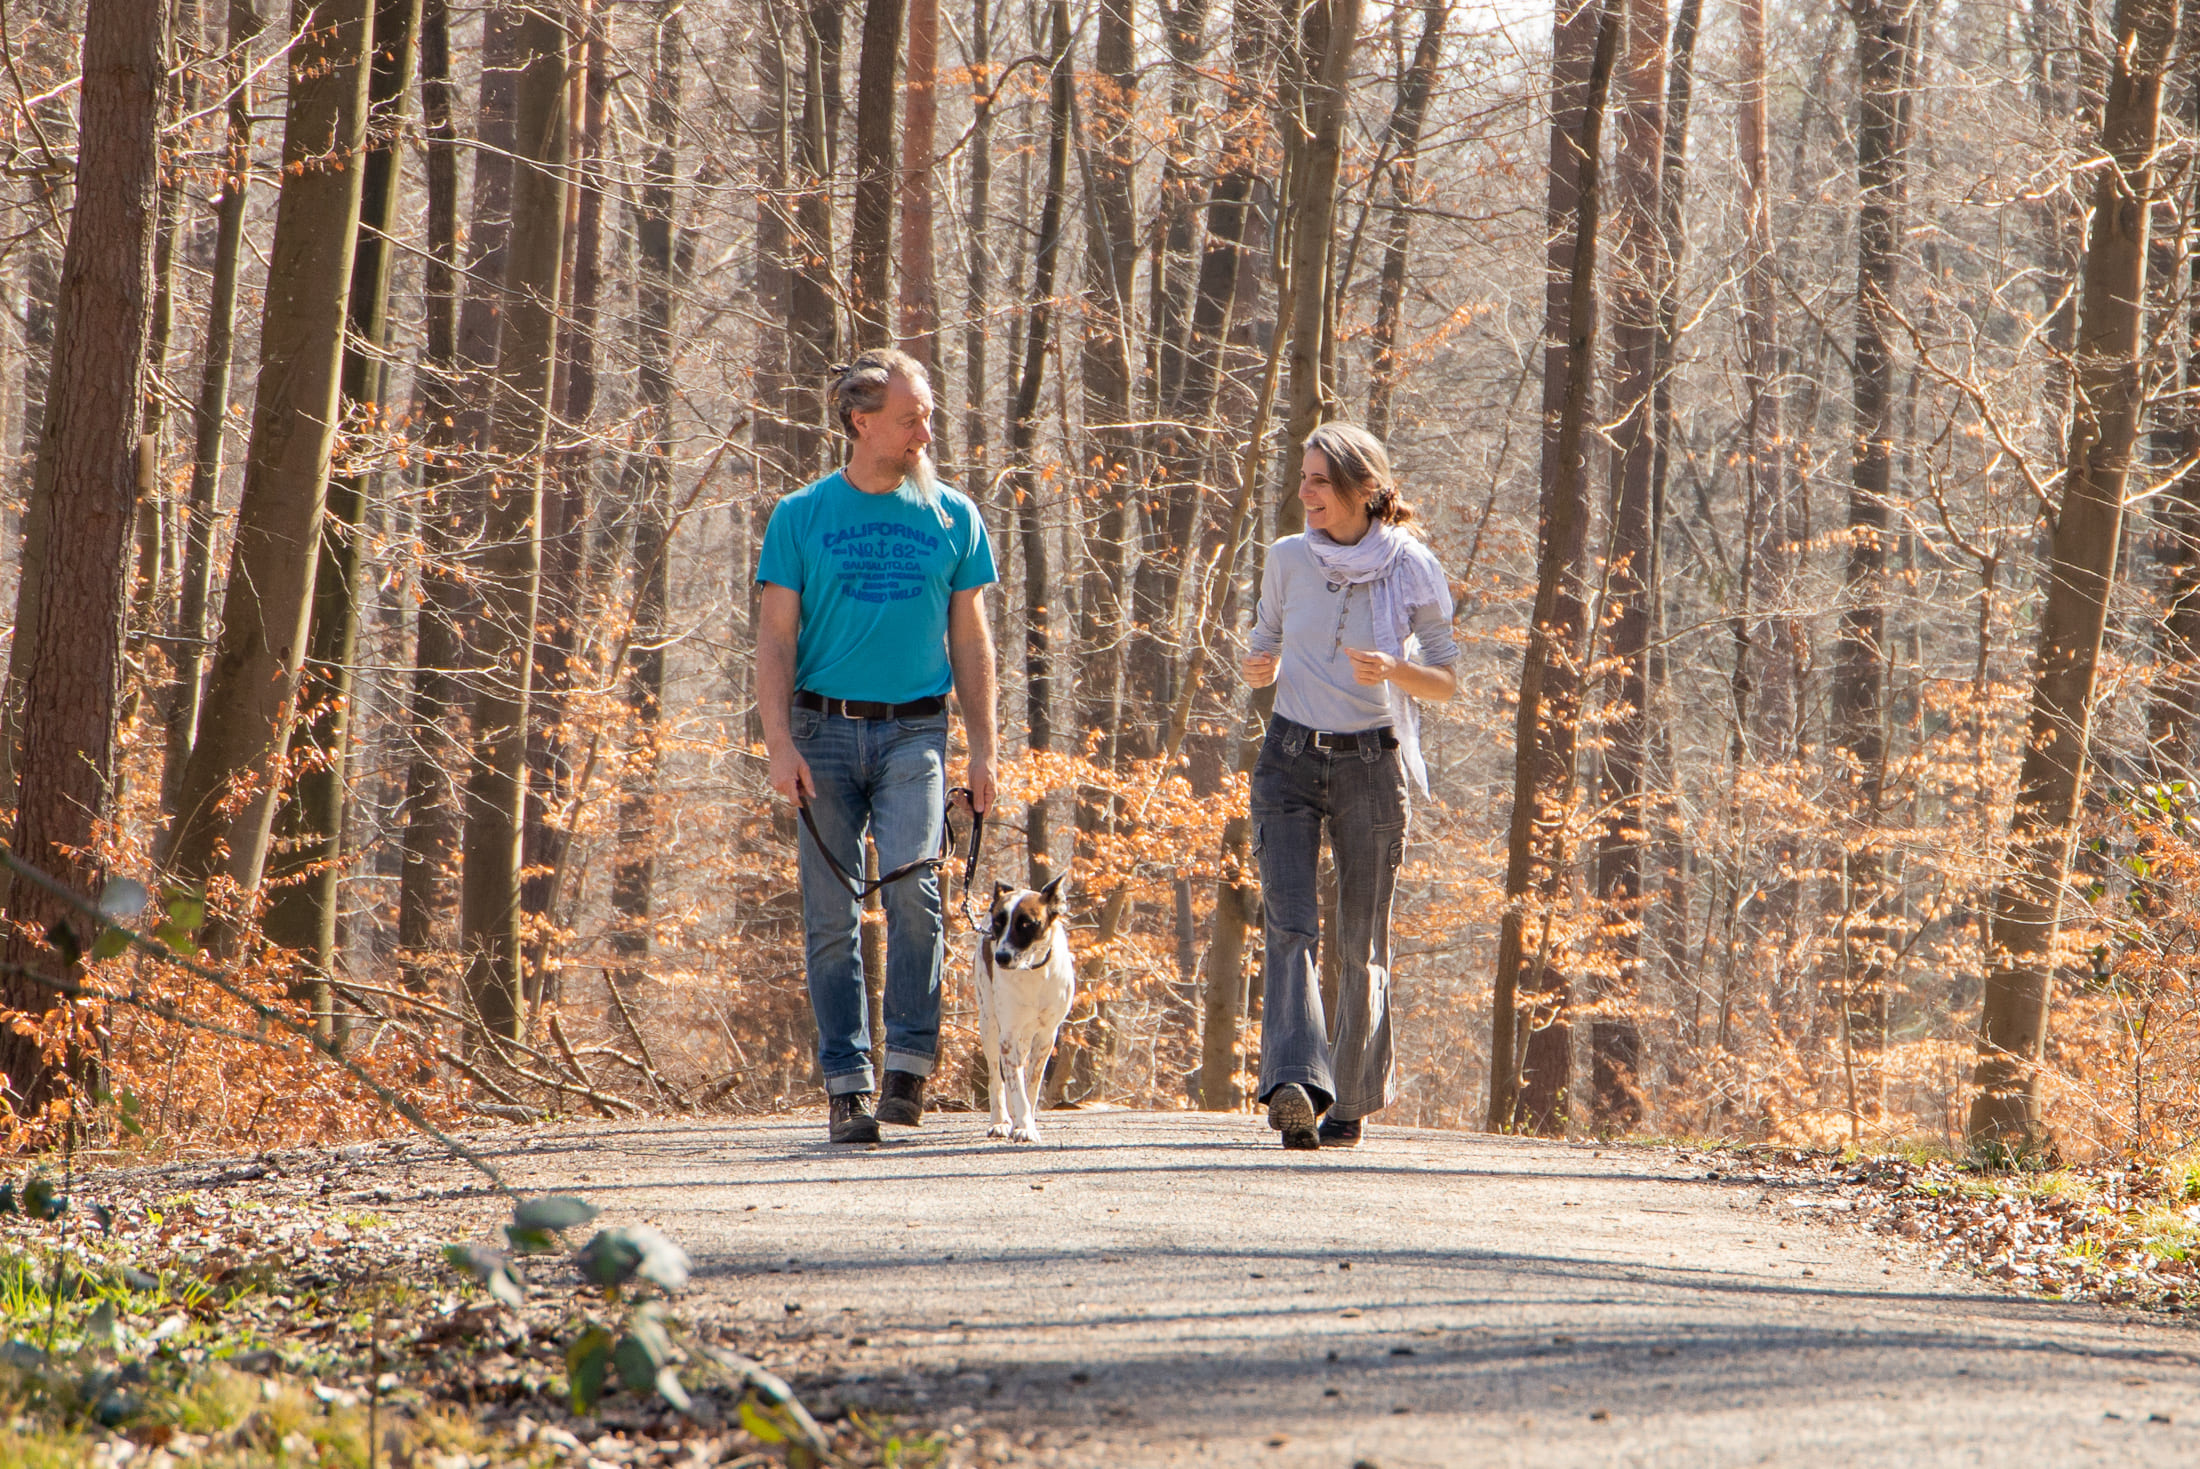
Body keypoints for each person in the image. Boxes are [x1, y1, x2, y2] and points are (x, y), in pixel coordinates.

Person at [756, 349, 1000, 1144]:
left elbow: (971, 637)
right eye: (910, 417)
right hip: (822, 731)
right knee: (830, 913)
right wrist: (779, 744)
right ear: (861, 423)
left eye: (926, 413)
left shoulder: (954, 516)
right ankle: (846, 1083)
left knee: (913, 892)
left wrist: (985, 749)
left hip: (916, 732)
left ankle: (909, 1067)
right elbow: (775, 638)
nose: (925, 429)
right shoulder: (800, 516)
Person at [1240, 423, 1457, 1150]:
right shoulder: (1287, 559)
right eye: (1302, 479)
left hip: (1373, 766)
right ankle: (1297, 1084)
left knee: (1361, 939)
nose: (1303, 494)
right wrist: (1258, 662)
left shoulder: (1413, 567)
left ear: (1364, 491)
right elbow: (1265, 633)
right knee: (1291, 925)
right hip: (1288, 758)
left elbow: (1448, 681)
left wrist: (1393, 669)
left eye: (1319, 482)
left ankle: (1352, 1098)